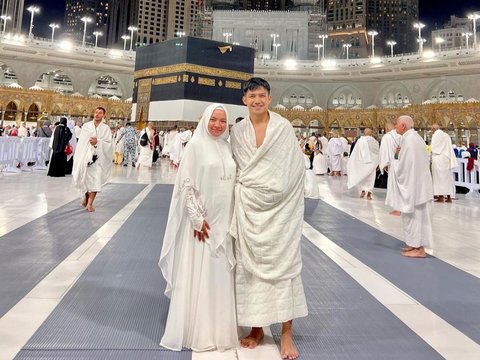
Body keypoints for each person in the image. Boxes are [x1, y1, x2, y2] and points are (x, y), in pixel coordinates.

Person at [230, 78, 307, 360]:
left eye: (262, 95)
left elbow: (293, 169)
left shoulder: (283, 127)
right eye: (252, 96)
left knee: (283, 266)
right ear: (244, 100)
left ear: (270, 98)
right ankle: (256, 327)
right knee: (249, 269)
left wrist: (280, 196)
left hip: (281, 211)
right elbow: (236, 168)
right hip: (249, 208)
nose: (257, 100)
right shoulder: (237, 131)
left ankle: (286, 331)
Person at [159, 103, 237, 352]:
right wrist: (196, 218)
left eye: (222, 121)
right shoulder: (195, 145)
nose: (217, 125)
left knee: (218, 274)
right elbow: (186, 184)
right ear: (204, 120)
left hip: (224, 220)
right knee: (201, 273)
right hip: (203, 223)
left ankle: (218, 328)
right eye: (213, 119)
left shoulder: (226, 146)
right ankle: (199, 331)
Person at [392, 115, 433, 258]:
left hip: (414, 186)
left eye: (396, 124)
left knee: (415, 217)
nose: (395, 126)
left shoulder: (409, 141)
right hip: (417, 185)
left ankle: (419, 248)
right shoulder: (414, 139)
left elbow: (405, 166)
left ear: (403, 126)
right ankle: (413, 244)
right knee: (411, 217)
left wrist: (395, 162)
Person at [72, 106, 113, 212]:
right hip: (85, 156)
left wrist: (98, 142)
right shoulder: (86, 126)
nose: (97, 114)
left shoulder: (105, 128)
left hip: (98, 158)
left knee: (95, 180)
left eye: (100, 113)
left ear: (104, 115)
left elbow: (109, 144)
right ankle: (86, 198)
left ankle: (90, 204)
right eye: (95, 112)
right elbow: (82, 143)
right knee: (84, 179)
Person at [347, 128, 379, 200]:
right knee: (371, 178)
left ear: (364, 133)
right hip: (371, 162)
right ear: (371, 133)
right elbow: (377, 151)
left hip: (362, 162)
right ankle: (369, 194)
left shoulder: (360, 141)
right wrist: (378, 162)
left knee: (363, 177)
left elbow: (355, 151)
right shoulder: (374, 141)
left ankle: (363, 191)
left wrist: (354, 161)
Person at [430, 124, 457, 203]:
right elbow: (449, 148)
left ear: (434, 129)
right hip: (446, 158)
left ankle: (441, 197)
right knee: (447, 178)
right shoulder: (446, 135)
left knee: (438, 178)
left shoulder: (436, 135)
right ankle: (449, 197)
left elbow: (433, 147)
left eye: (432, 129)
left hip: (438, 158)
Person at [379, 122, 401, 215]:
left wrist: (383, 165)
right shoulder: (401, 135)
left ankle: (398, 209)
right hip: (404, 163)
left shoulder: (387, 137)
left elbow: (384, 152)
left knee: (394, 186)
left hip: (394, 163)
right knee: (402, 186)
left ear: (386, 128)